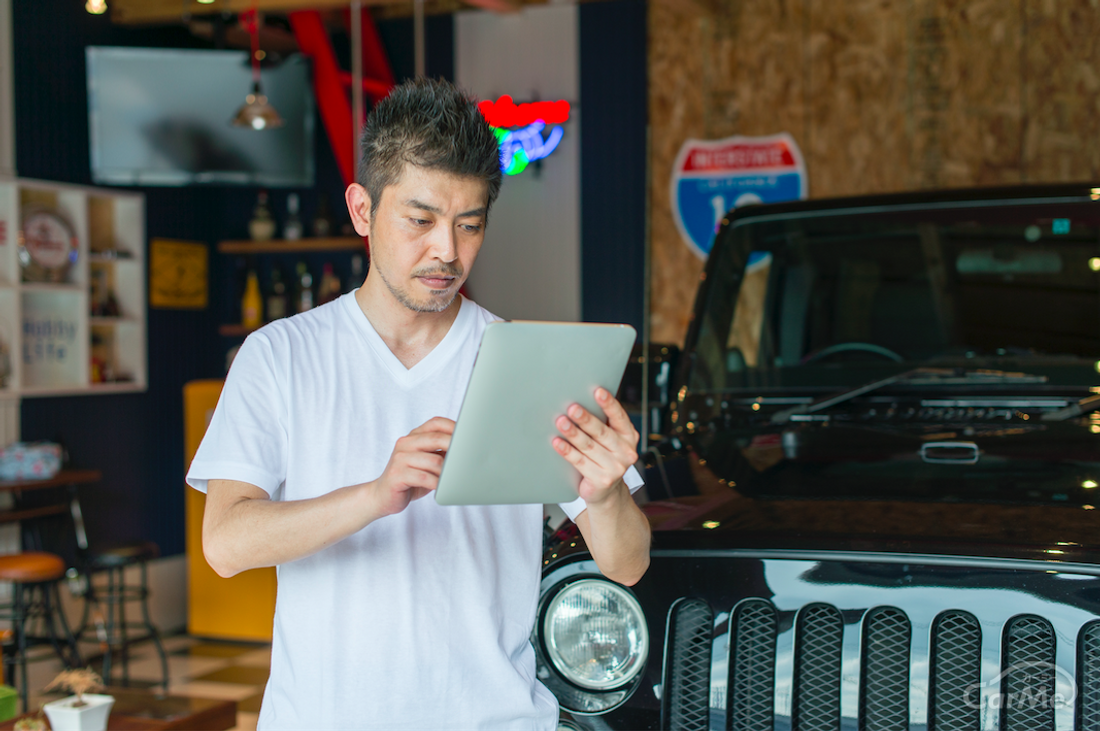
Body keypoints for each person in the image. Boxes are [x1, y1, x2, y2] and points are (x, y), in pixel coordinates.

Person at [186, 78, 651, 730]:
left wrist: (606, 497)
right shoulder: (280, 356)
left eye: (470, 225)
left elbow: (628, 563)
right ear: (361, 210)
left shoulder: (525, 362)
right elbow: (226, 543)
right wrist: (376, 494)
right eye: (420, 220)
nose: (447, 251)